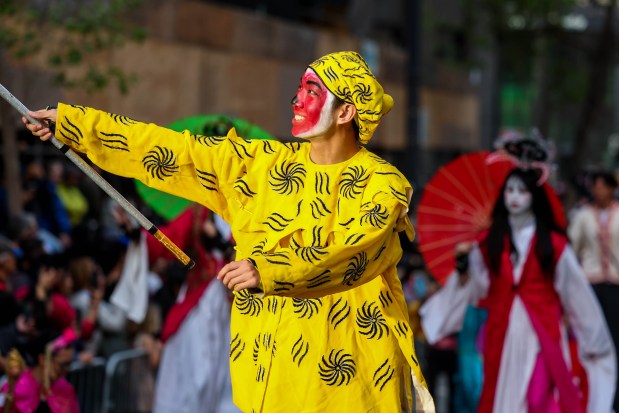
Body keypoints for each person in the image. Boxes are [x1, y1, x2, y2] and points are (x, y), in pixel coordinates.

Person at [23, 51, 434, 412]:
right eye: (299, 90)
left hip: (350, 381)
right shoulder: (260, 166)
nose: (296, 100)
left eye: (312, 91)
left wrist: (267, 269)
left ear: (346, 112)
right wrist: (75, 126)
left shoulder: (383, 185)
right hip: (269, 374)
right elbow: (171, 151)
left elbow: (352, 251)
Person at [420, 167, 616, 413]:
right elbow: (478, 288)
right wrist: (463, 266)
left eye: (522, 191)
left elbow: (575, 292)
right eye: (510, 190)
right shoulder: (489, 241)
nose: (514, 196)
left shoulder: (553, 244)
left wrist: (592, 338)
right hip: (501, 330)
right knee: (501, 397)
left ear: (534, 196)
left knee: (538, 397)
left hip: (541, 332)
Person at [568, 170, 619, 411]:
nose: (598, 191)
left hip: (616, 286)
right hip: (591, 286)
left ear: (611, 188)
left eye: (603, 186)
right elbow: (572, 250)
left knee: (616, 341)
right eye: (595, 186)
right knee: (593, 342)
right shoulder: (583, 217)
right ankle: (593, 394)